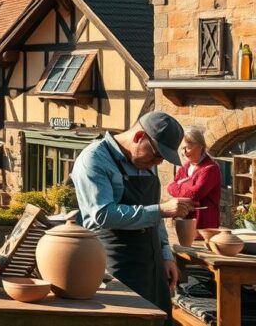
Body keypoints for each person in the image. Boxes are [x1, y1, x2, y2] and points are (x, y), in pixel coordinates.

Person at [70, 111, 193, 321]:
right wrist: (161, 210)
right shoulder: (94, 159)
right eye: (156, 155)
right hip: (115, 263)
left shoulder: (145, 162)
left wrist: (164, 254)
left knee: (158, 320)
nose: (157, 163)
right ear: (138, 137)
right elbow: (103, 214)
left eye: (162, 159)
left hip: (151, 262)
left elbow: (155, 213)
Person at [167, 126, 222, 232]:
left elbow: (195, 194)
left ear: (200, 146)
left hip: (203, 225)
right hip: (185, 222)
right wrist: (185, 187)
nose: (184, 152)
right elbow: (169, 187)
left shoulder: (210, 169)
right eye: (182, 148)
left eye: (187, 147)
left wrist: (179, 185)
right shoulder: (186, 166)